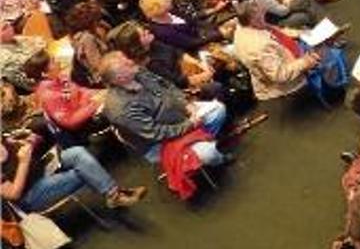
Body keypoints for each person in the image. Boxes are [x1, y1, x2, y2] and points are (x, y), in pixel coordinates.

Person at [100, 51, 229, 166]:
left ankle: (204, 140)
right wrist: (189, 125)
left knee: (218, 110)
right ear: (120, 78)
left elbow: (168, 87)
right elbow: (157, 133)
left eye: (126, 59)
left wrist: (186, 104)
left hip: (178, 115)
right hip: (159, 143)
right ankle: (210, 154)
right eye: (126, 64)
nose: (131, 61)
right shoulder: (122, 109)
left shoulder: (138, 72)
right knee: (210, 154)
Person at [1, 139, 146, 212]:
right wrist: (23, 162)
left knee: (77, 152)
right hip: (30, 195)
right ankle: (115, 195)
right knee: (83, 172)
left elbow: (18, 147)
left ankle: (113, 195)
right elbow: (14, 194)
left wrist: (27, 142)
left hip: (40, 170)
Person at [0, 20, 47, 93]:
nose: (9, 28)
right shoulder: (3, 57)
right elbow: (20, 81)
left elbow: (40, 41)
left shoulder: (18, 39)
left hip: (44, 68)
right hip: (33, 86)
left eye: (9, 25)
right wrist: (42, 86)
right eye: (4, 28)